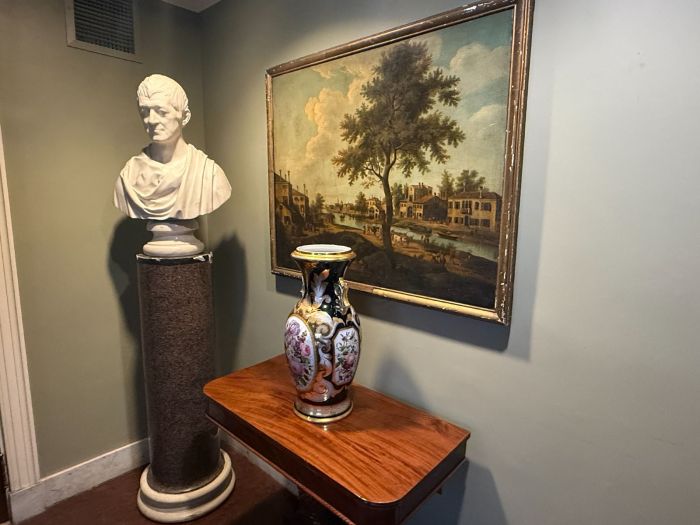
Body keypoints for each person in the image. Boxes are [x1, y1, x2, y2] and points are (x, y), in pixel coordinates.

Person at [114, 74, 231, 220]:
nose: (151, 120)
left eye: (162, 112)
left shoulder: (209, 175)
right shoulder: (129, 175)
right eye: (145, 111)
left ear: (185, 117)